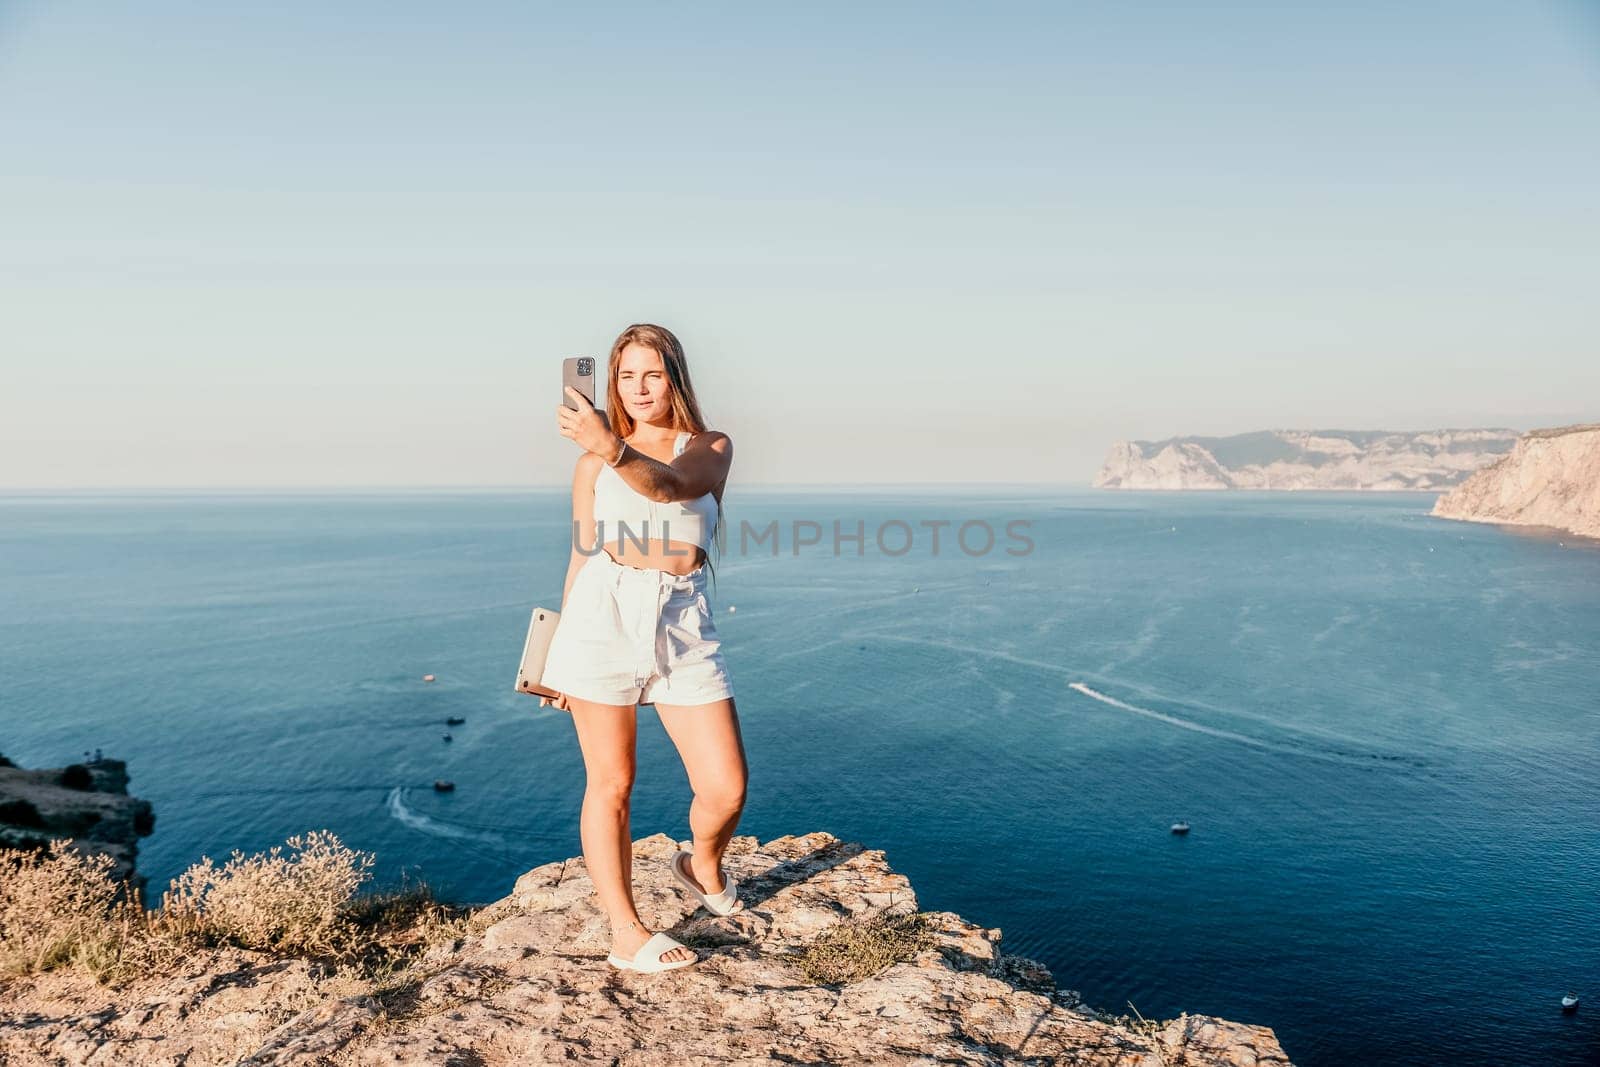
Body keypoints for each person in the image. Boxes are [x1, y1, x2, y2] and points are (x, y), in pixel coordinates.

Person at [541, 323, 748, 973]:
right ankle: (626, 931)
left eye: (652, 373)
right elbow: (581, 553)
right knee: (612, 782)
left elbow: (669, 488)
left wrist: (612, 448)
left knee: (725, 787)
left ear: (675, 377)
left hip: (682, 621)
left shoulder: (707, 446)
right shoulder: (589, 464)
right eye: (626, 375)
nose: (639, 387)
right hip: (602, 617)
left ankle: (700, 862)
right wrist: (552, 656)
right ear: (611, 382)